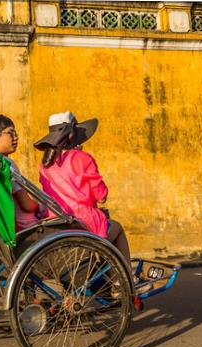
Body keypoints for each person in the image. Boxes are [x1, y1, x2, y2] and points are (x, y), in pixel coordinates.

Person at [34, 111, 131, 266]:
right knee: (117, 229)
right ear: (72, 134)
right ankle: (124, 281)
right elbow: (101, 196)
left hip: (56, 223)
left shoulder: (44, 165)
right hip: (83, 222)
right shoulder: (82, 158)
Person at [0, 114, 41, 231]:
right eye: (11, 133)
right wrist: (40, 206)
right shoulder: (5, 163)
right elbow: (27, 205)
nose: (16, 137)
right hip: (29, 228)